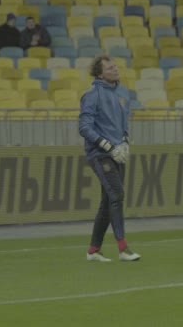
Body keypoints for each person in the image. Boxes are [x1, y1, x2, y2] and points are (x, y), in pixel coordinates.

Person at [78, 55, 140, 262]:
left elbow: (123, 123)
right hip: (101, 154)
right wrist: (107, 145)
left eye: (115, 66)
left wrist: (124, 141)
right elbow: (84, 127)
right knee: (117, 194)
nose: (115, 69)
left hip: (117, 153)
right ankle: (123, 248)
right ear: (100, 73)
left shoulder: (121, 94)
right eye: (110, 67)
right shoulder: (92, 94)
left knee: (108, 200)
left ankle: (93, 250)